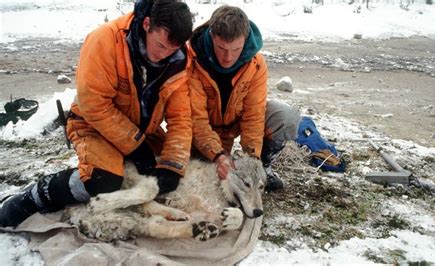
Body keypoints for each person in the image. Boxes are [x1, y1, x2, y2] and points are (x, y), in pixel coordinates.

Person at [0, 0, 194, 228]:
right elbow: (93, 104)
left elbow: (181, 118)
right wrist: (136, 146)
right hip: (93, 124)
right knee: (102, 180)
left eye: (172, 50)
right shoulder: (104, 40)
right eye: (161, 46)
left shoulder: (180, 59)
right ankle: (36, 195)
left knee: (181, 169)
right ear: (147, 24)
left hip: (143, 133)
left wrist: (172, 165)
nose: (165, 55)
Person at [188, 5, 300, 192]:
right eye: (221, 48)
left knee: (285, 116)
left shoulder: (256, 64)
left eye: (236, 49)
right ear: (211, 36)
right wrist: (218, 155)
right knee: (203, 179)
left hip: (236, 122)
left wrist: (252, 162)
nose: (228, 57)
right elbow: (196, 119)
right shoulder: (191, 60)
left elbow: (254, 115)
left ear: (245, 39)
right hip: (204, 129)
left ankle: (264, 167)